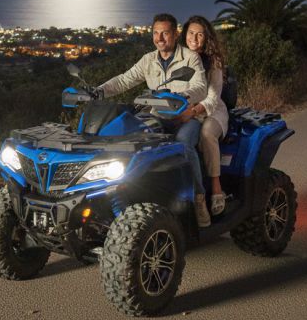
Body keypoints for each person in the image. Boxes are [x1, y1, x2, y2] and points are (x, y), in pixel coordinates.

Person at [97, 13, 212, 227]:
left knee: (184, 145)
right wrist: (99, 92)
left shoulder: (190, 58)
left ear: (175, 35)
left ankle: (198, 199)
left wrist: (182, 97)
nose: (160, 38)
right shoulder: (149, 60)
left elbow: (200, 87)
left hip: (185, 117)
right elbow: (124, 80)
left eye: (165, 33)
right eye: (156, 33)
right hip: (156, 116)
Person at [177, 15, 229, 216]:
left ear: (207, 38)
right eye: (191, 33)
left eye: (200, 35)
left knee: (206, 134)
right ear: (185, 34)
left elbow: (214, 97)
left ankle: (216, 189)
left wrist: (193, 111)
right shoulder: (178, 58)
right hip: (183, 112)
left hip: (211, 111)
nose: (195, 39)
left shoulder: (212, 62)